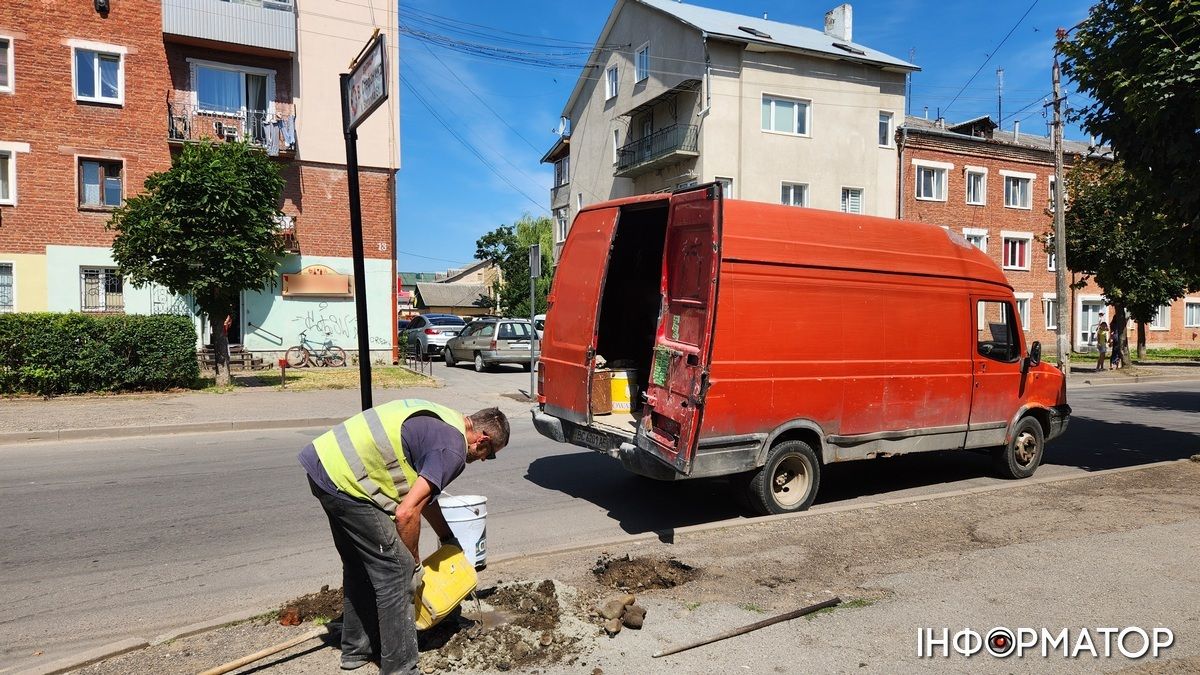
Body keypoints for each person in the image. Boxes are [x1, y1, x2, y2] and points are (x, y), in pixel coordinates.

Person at [300, 400, 510, 674]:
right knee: (398, 572)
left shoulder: (445, 420)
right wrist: (414, 564)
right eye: (489, 453)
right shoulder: (453, 450)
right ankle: (401, 669)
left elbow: (426, 497)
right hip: (347, 485)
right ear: (482, 439)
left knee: (359, 565)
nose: (484, 459)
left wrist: (448, 538)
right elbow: (406, 513)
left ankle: (356, 651)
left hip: (323, 466)